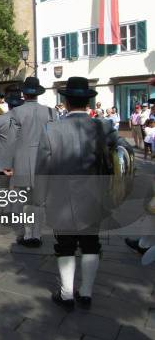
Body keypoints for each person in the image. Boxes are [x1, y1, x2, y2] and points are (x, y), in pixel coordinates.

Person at [34, 77, 131, 310]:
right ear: (88, 103)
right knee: (91, 243)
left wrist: (39, 197)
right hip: (94, 194)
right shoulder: (104, 126)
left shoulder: (51, 129)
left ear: (65, 103)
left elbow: (42, 168)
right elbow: (125, 152)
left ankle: (66, 294)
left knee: (65, 244)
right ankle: (86, 293)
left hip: (60, 196)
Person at [10, 77, 57, 248]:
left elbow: (12, 140)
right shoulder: (51, 112)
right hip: (44, 160)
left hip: (22, 160)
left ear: (24, 94)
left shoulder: (16, 112)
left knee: (25, 199)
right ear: (38, 94)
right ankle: (37, 234)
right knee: (39, 200)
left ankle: (28, 233)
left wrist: (8, 164)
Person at [0, 87, 24, 177]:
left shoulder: (0, 119)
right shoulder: (26, 119)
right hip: (21, 160)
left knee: (2, 188)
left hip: (2, 161)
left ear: (8, 105)